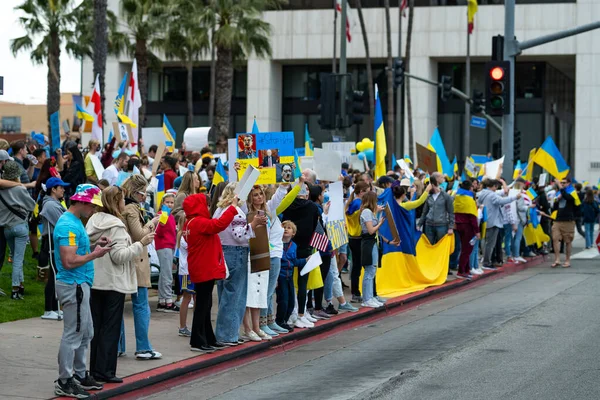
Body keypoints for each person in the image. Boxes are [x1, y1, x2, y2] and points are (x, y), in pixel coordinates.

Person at [86, 186, 154, 383]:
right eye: (122, 199)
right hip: (113, 282)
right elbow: (118, 256)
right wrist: (141, 244)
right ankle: (106, 371)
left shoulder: (93, 220)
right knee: (110, 328)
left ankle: (96, 369)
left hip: (96, 281)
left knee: (97, 328)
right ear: (116, 202)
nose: (125, 203)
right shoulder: (115, 225)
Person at [53, 184, 112, 399]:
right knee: (74, 333)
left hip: (79, 283)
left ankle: (76, 375)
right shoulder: (68, 224)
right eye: (93, 206)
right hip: (74, 284)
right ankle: (65, 379)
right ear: (83, 202)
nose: (94, 210)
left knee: (85, 332)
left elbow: (76, 251)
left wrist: (96, 245)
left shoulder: (74, 222)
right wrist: (96, 254)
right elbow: (69, 261)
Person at [184, 193, 240, 352]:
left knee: (205, 303)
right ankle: (197, 340)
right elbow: (219, 225)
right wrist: (233, 207)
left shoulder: (190, 222)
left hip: (201, 266)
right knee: (203, 304)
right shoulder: (199, 222)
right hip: (204, 267)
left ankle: (207, 337)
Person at [213, 183, 265, 345]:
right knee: (235, 295)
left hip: (223, 252)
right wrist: (254, 224)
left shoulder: (219, 210)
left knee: (225, 294)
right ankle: (228, 335)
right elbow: (239, 235)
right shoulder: (236, 212)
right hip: (236, 253)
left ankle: (226, 332)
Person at [121, 175, 162, 360]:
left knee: (119, 307)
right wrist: (153, 222)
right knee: (141, 305)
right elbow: (139, 234)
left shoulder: (126, 206)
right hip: (137, 261)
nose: (144, 196)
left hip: (130, 260)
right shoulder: (131, 208)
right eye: (142, 192)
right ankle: (143, 347)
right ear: (134, 192)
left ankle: (119, 346)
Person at [281, 182, 320, 327]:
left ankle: (294, 313)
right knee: (303, 284)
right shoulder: (312, 206)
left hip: (289, 245)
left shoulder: (287, 205)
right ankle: (300, 314)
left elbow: (283, 221)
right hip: (305, 246)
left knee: (290, 283)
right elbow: (315, 224)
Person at [0, 161, 36, 299]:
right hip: (20, 227)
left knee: (15, 257)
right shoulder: (20, 189)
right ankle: (15, 289)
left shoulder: (1, 191)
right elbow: (31, 206)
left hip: (6, 228)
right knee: (18, 260)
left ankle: (20, 285)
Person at [39, 177, 69, 319]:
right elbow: (62, 223)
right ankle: (48, 309)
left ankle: (53, 308)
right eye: (60, 187)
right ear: (53, 189)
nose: (63, 189)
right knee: (54, 276)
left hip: (54, 241)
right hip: (50, 241)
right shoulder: (50, 205)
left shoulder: (55, 203)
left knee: (55, 275)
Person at [477, 179, 520, 270]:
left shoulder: (483, 193)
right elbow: (502, 201)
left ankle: (487, 261)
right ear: (494, 186)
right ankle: (486, 262)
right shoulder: (492, 195)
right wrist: (515, 197)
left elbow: (501, 194)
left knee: (486, 242)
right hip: (493, 222)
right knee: (490, 244)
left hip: (485, 221)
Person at [360, 191, 393, 307]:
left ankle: (370, 297)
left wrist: (377, 213)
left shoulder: (369, 212)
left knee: (372, 270)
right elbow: (371, 230)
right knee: (369, 271)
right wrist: (380, 223)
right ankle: (367, 298)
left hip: (372, 242)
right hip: (368, 242)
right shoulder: (367, 212)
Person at [277, 221, 308, 329]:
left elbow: (294, 261)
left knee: (291, 301)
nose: (286, 229)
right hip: (280, 275)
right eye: (284, 227)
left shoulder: (293, 246)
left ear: (293, 233)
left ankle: (285, 320)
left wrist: (305, 260)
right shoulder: (277, 243)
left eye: (289, 228)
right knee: (283, 300)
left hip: (289, 275)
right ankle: (279, 320)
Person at [345, 181, 370, 303]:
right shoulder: (359, 204)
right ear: (361, 192)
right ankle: (357, 292)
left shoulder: (352, 202)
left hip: (352, 237)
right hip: (359, 238)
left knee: (356, 266)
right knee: (359, 266)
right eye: (368, 190)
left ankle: (356, 291)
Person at [155, 193, 179, 312]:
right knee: (167, 274)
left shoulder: (170, 216)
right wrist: (163, 218)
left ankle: (162, 300)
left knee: (164, 273)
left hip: (168, 245)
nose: (170, 204)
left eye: (172, 202)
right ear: (163, 203)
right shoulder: (162, 214)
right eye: (167, 202)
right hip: (164, 246)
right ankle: (168, 301)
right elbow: (158, 230)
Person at [418, 172, 455, 245]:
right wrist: (419, 224)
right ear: (436, 179)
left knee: (441, 246)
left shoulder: (445, 196)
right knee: (429, 246)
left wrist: (451, 227)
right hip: (429, 225)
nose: (443, 179)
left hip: (441, 225)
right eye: (441, 177)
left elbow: (451, 212)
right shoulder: (428, 196)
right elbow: (424, 212)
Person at [453, 181, 480, 279]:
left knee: (464, 248)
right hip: (468, 227)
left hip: (458, 225)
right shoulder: (470, 200)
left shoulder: (457, 198)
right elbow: (472, 217)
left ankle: (466, 269)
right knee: (467, 250)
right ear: (470, 188)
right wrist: (477, 231)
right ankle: (461, 271)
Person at [550, 178, 580, 268]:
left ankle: (567, 260)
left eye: (564, 183)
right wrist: (556, 200)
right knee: (555, 239)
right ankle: (557, 259)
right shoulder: (559, 192)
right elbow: (554, 207)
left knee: (568, 241)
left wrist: (560, 187)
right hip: (558, 219)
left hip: (568, 220)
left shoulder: (572, 192)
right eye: (561, 183)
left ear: (569, 183)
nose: (562, 184)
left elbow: (568, 198)